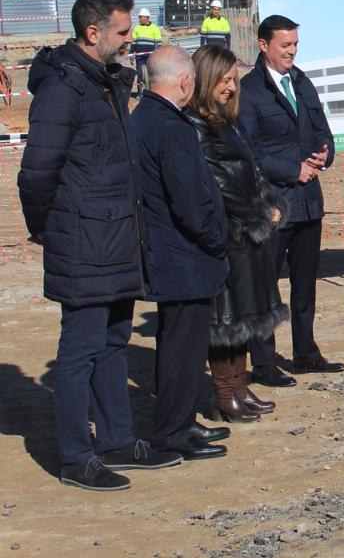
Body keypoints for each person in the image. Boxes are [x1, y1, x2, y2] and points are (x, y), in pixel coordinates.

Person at [18, 0, 182, 491]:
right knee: (81, 349)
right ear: (94, 33)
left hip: (117, 237)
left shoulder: (108, 83)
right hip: (84, 241)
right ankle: (74, 456)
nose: (133, 40)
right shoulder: (64, 89)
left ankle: (117, 440)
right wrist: (48, 227)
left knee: (113, 341)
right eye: (124, 31)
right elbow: (36, 172)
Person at [130, 46, 231, 459]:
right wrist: (215, 239)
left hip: (171, 252)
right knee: (181, 349)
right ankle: (172, 431)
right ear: (186, 81)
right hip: (183, 255)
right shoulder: (169, 125)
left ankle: (183, 421)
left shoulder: (144, 118)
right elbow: (189, 197)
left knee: (181, 346)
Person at [185, 45, 290, 421]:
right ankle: (224, 393)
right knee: (225, 321)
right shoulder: (196, 125)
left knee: (245, 316)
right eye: (224, 80)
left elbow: (252, 169)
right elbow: (219, 185)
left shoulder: (225, 121)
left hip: (248, 235)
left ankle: (240, 388)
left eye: (233, 80)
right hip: (228, 235)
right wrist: (258, 215)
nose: (231, 87)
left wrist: (269, 202)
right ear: (205, 79)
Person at [239, 15, 343, 386]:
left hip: (309, 201)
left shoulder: (302, 81)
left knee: (305, 283)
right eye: (285, 45)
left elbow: (322, 129)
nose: (292, 51)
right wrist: (291, 169)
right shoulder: (248, 91)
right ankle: (264, 362)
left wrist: (323, 154)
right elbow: (247, 152)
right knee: (265, 285)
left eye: (295, 44)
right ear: (264, 45)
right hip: (272, 205)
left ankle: (306, 353)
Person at [130, 7, 163, 96]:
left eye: (141, 17)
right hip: (139, 56)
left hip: (151, 55)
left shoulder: (154, 28)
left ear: (147, 17)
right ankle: (140, 92)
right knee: (140, 73)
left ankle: (153, 92)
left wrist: (160, 53)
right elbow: (133, 42)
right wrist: (131, 54)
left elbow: (159, 42)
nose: (140, 19)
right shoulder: (137, 28)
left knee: (151, 73)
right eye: (139, 17)